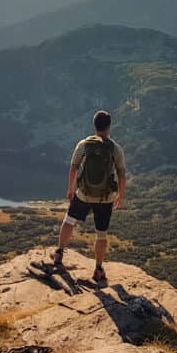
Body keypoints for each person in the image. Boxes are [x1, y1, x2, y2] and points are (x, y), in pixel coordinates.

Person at [52, 110, 126, 283]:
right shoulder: (115, 148)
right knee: (101, 234)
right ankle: (98, 269)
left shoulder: (84, 144)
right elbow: (122, 174)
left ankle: (59, 253)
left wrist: (71, 189)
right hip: (105, 198)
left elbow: (74, 168)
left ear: (94, 125)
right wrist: (120, 195)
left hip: (84, 194)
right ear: (109, 127)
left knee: (70, 220)